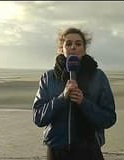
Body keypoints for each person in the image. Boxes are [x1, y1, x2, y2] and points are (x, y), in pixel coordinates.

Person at [32, 27, 117, 160]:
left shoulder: (98, 77)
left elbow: (109, 118)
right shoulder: (48, 78)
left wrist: (84, 103)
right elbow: (38, 118)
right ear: (62, 48)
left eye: (78, 44)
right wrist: (62, 98)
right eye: (68, 43)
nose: (73, 47)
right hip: (57, 150)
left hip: (89, 150)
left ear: (84, 48)